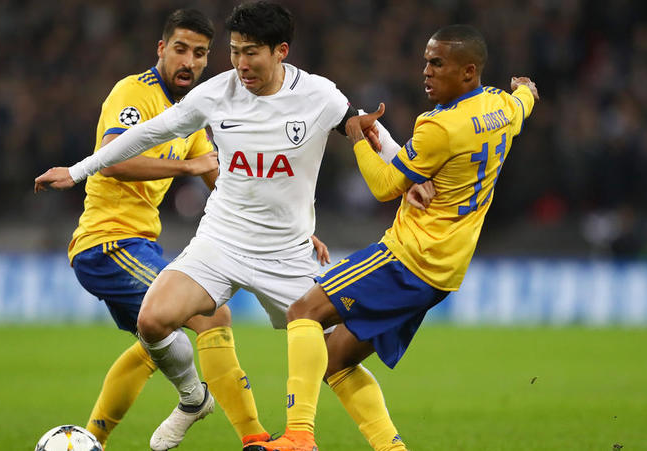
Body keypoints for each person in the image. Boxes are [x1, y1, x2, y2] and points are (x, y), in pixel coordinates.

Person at [35, 2, 431, 448]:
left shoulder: (318, 96)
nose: (241, 64)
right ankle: (197, 402)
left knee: (336, 361)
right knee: (152, 320)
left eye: (252, 53)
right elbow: (146, 134)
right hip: (220, 242)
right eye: (235, 51)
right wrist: (79, 170)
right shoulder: (215, 95)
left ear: (281, 51)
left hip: (286, 252)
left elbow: (370, 132)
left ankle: (391, 446)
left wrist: (409, 178)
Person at [244, 24, 539, 451]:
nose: (426, 71)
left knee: (302, 312)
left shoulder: (440, 126)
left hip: (407, 257)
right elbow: (524, 100)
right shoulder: (503, 108)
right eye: (425, 60)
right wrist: (526, 88)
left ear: (469, 71)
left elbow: (385, 186)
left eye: (437, 63)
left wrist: (357, 137)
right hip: (443, 271)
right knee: (333, 360)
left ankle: (297, 438)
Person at [58, 9, 278, 450]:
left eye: (199, 54)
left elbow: (223, 183)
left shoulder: (191, 113)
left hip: (139, 242)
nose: (189, 62)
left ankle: (90, 440)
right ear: (161, 49)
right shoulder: (134, 93)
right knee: (211, 312)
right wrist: (186, 165)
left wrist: (283, 224)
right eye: (180, 49)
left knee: (154, 341)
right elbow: (113, 158)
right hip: (107, 243)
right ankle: (251, 436)